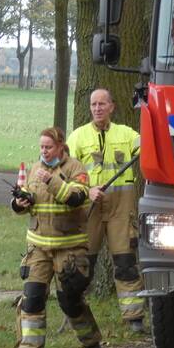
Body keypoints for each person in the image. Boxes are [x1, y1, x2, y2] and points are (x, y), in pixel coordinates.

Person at [11, 127, 102, 348]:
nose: (44, 151)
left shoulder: (76, 169)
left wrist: (52, 181)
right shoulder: (34, 169)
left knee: (69, 300)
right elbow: (28, 204)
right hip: (38, 247)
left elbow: (76, 199)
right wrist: (20, 203)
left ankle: (91, 340)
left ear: (60, 146)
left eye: (48, 147)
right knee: (32, 296)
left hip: (68, 247)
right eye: (41, 147)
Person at [67, 89, 146, 333]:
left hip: (121, 207)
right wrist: (87, 190)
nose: (97, 108)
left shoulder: (127, 134)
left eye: (102, 104)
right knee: (82, 262)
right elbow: (64, 173)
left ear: (112, 106)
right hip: (89, 206)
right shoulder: (78, 137)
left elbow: (149, 146)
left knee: (125, 261)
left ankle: (134, 318)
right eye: (93, 104)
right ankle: (75, 313)